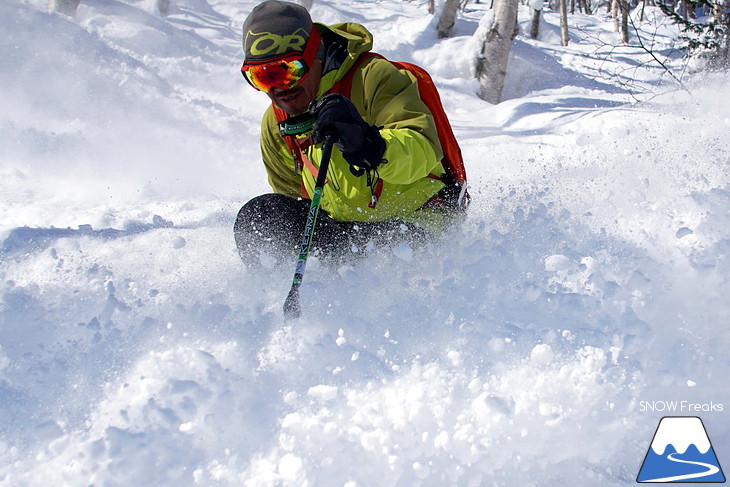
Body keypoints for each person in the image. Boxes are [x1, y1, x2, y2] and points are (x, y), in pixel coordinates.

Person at [234, 0, 465, 267]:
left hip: (415, 223)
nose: (277, 89)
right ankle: (269, 300)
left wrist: (369, 144)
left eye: (287, 71)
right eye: (261, 77)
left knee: (381, 263)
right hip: (346, 232)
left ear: (315, 55)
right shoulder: (277, 122)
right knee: (261, 218)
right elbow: (292, 196)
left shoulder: (372, 77)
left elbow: (422, 149)